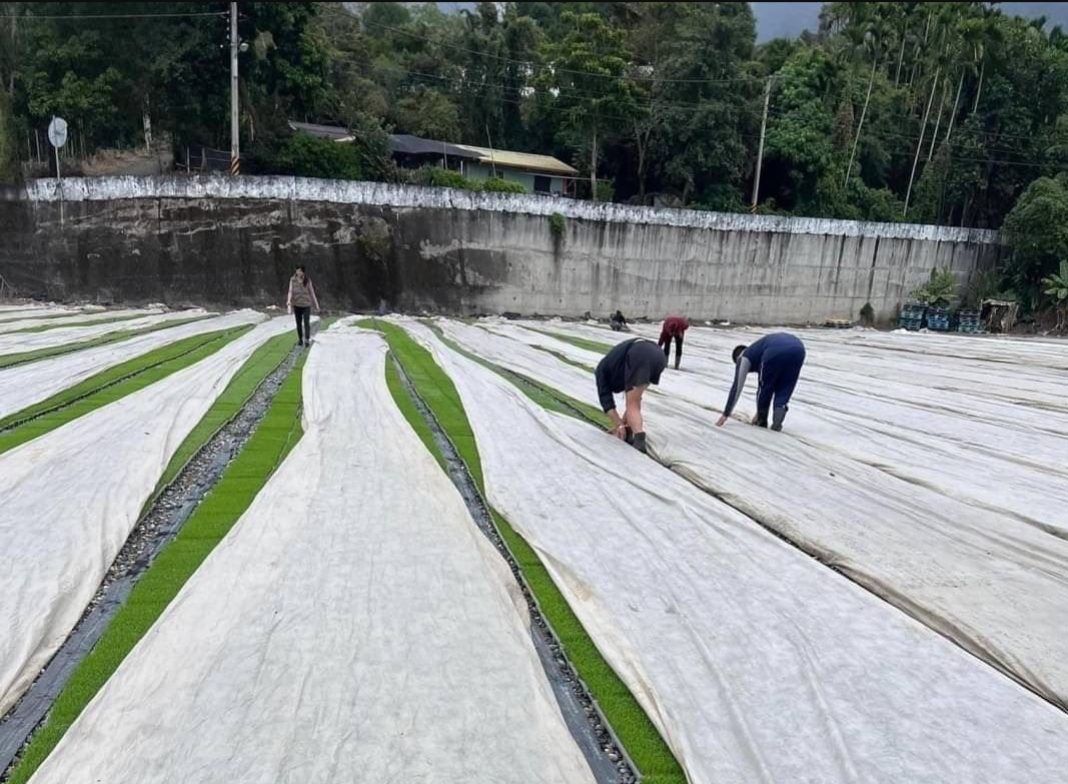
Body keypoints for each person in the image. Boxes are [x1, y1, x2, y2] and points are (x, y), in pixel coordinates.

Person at [716, 332, 806, 432]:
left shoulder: (744, 357)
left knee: (764, 388)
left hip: (774, 351)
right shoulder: (758, 351)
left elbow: (737, 387)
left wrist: (726, 414)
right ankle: (777, 423)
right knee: (785, 387)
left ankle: (761, 421)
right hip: (799, 350)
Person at [595, 338, 668, 454]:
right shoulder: (618, 367)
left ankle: (639, 440)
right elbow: (634, 401)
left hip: (639, 353)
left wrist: (619, 425)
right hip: (659, 355)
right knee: (634, 401)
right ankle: (631, 431)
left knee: (632, 403)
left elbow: (607, 405)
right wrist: (622, 424)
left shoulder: (601, 372)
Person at [286, 265, 320, 347]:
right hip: (297, 304)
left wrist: (316, 305)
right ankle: (300, 339)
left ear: (303, 272)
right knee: (298, 323)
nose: (298, 272)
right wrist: (289, 301)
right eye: (297, 271)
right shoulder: (292, 280)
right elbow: (290, 291)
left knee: (306, 322)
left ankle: (307, 339)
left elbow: (312, 292)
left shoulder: (307, 280)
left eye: (300, 271)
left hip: (306, 304)